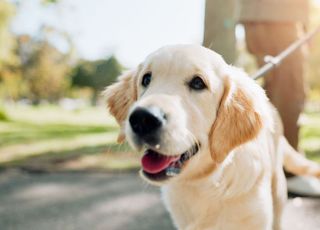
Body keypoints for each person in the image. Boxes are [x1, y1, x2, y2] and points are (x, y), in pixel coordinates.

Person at [203, 0, 320, 196]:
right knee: (290, 92)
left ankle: (270, 164)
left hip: (260, 18)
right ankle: (288, 172)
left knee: (274, 92)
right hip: (279, 17)